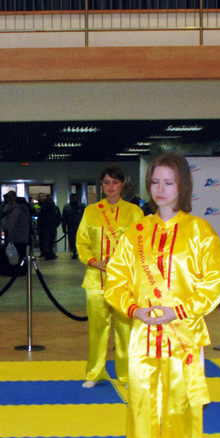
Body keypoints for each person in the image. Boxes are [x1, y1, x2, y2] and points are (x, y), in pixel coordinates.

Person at [105, 154, 220, 438]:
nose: (160, 189)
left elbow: (217, 282)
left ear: (182, 186)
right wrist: (134, 309)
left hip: (183, 336)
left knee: (182, 411)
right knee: (141, 409)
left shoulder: (199, 231)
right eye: (155, 182)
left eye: (168, 182)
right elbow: (116, 280)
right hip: (143, 335)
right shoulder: (136, 231)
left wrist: (180, 310)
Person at [76, 165, 144, 387]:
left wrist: (124, 265)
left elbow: (141, 246)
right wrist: (94, 262)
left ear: (122, 184)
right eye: (106, 182)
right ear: (102, 185)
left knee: (126, 330)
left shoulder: (134, 212)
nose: (111, 187)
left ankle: (127, 375)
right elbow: (82, 243)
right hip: (95, 279)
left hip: (125, 281)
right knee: (97, 329)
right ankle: (94, 373)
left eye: (115, 182)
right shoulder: (91, 211)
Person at [1, 194, 31, 274]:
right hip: (24, 237)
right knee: (22, 254)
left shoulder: (16, 211)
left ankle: (16, 270)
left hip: (16, 237)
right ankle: (23, 269)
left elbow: (12, 225)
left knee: (16, 255)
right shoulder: (26, 211)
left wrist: (10, 236)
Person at [35, 194, 61, 260]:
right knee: (45, 241)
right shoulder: (43, 208)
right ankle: (46, 253)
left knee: (51, 241)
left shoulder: (55, 208)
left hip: (52, 227)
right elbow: (40, 218)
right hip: (44, 227)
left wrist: (55, 225)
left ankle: (50, 252)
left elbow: (59, 217)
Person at [61, 193, 85, 259]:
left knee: (81, 240)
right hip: (71, 226)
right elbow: (64, 218)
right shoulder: (67, 207)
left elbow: (86, 216)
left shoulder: (82, 206)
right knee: (72, 241)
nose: (73, 199)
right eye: (72, 198)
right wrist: (64, 227)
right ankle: (74, 252)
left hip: (80, 226)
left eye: (74, 197)